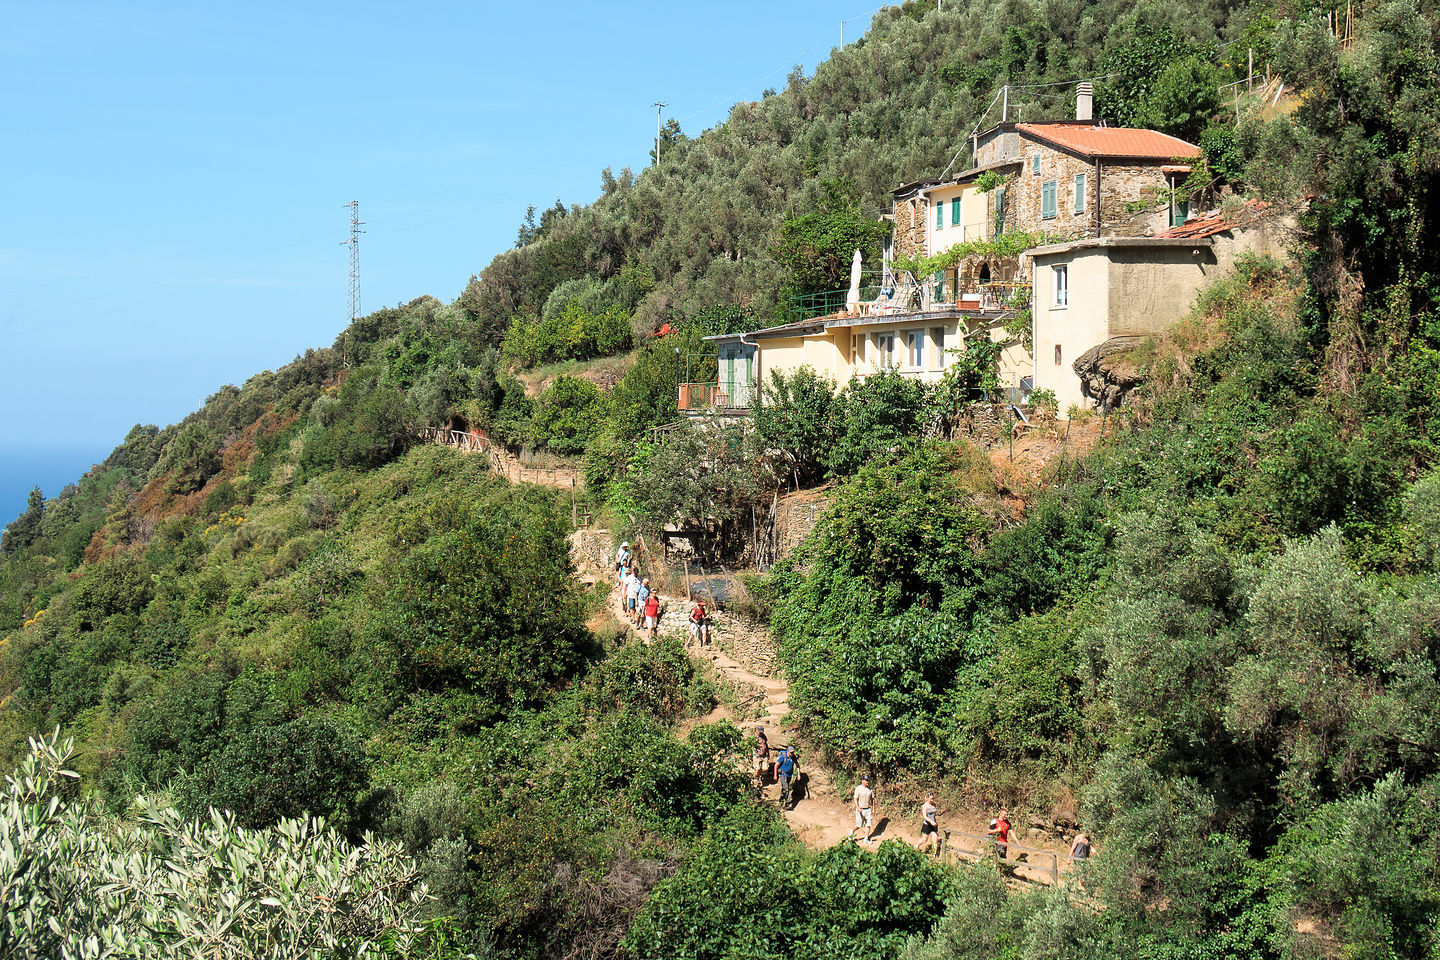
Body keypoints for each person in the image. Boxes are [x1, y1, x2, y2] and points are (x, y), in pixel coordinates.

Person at [850, 775, 876, 843]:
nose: (868, 782)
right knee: (859, 825)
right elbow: (855, 799)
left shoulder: (870, 790)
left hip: (868, 809)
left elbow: (873, 799)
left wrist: (873, 809)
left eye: (868, 780)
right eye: (866, 780)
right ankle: (852, 831)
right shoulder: (858, 789)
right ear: (862, 781)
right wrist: (857, 807)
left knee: (868, 824)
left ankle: (866, 838)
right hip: (860, 810)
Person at [775, 745, 798, 810]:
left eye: (793, 752)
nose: (792, 754)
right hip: (783, 775)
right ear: (788, 752)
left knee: (784, 789)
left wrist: (798, 774)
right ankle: (787, 804)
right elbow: (776, 765)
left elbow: (797, 765)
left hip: (789, 775)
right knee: (786, 788)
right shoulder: (783, 757)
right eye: (791, 752)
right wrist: (775, 775)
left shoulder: (793, 758)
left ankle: (780, 802)